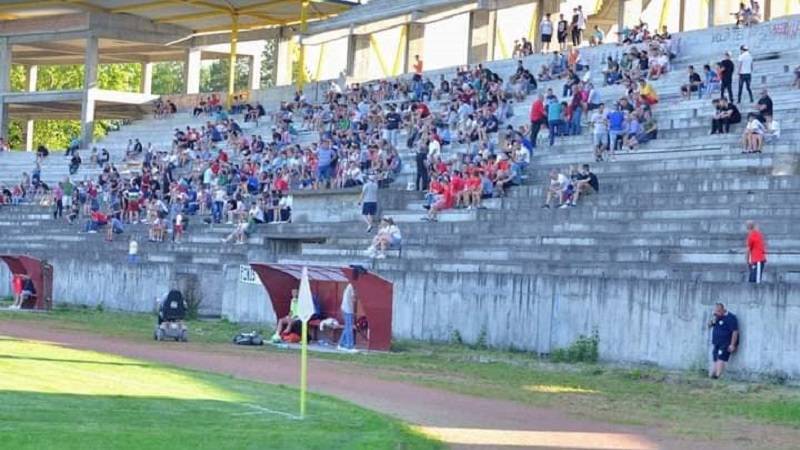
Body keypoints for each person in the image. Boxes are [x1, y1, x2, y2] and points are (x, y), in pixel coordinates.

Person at [708, 302, 739, 379]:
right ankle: (712, 376)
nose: (716, 313)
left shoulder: (731, 317)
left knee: (721, 358)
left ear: (723, 310)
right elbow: (709, 325)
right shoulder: (717, 317)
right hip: (716, 342)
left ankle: (717, 376)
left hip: (725, 343)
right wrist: (712, 321)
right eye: (715, 311)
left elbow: (735, 332)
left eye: (718, 312)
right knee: (715, 358)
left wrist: (732, 344)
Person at [338, 284, 356, 351]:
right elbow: (353, 299)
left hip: (346, 309)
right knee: (349, 328)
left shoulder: (349, 286)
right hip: (347, 309)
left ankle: (341, 344)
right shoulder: (351, 286)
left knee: (347, 327)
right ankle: (349, 346)